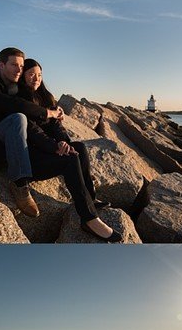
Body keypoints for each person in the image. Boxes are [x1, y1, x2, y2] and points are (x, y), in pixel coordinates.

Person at [16, 59, 121, 242]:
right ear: (23, 76)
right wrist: (55, 147)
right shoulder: (20, 100)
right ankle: (88, 218)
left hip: (46, 150)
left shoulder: (45, 97)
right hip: (32, 158)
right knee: (70, 159)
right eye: (31, 74)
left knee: (78, 148)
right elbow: (33, 132)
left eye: (39, 75)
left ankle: (90, 198)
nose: (36, 78)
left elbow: (56, 126)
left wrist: (64, 143)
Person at [0, 47, 63, 218]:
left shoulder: (14, 86)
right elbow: (15, 105)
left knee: (27, 123)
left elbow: (31, 103)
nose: (19, 70)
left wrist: (54, 110)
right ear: (1, 65)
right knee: (18, 118)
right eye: (14, 65)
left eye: (21, 66)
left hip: (8, 147)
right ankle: (20, 184)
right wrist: (47, 113)